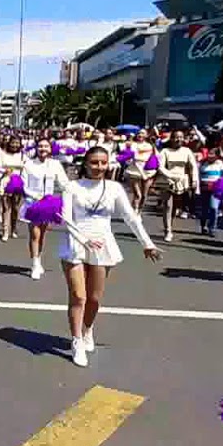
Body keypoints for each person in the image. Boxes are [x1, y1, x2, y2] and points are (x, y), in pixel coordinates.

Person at [57, 148, 162, 367]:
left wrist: (147, 243)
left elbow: (130, 217)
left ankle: (87, 329)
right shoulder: (72, 187)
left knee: (94, 298)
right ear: (85, 164)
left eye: (103, 163)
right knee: (78, 296)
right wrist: (84, 240)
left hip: (103, 244)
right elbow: (66, 219)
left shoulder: (114, 188)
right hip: (75, 244)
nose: (99, 167)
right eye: (94, 163)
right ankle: (76, 341)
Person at [22, 139, 71, 280]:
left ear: (50, 148)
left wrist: (73, 190)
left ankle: (39, 258)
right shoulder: (29, 164)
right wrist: (34, 196)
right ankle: (35, 264)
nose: (43, 148)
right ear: (36, 148)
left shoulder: (55, 164)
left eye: (46, 146)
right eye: (40, 146)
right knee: (34, 235)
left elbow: (63, 183)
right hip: (33, 203)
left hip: (49, 204)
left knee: (43, 235)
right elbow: (24, 184)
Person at [156, 129, 198, 242]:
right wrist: (170, 175)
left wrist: (194, 180)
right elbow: (160, 166)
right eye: (176, 137)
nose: (178, 139)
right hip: (167, 180)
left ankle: (171, 225)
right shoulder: (165, 151)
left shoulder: (187, 151)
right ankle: (168, 230)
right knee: (167, 206)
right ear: (172, 139)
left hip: (182, 181)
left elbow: (193, 166)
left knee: (176, 207)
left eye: (181, 137)